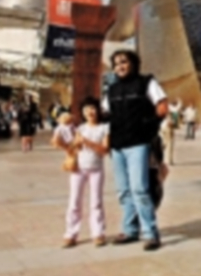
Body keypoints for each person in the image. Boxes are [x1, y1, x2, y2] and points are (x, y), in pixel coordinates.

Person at [102, 49, 168, 251]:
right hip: (118, 145)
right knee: (124, 190)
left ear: (133, 63)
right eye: (116, 64)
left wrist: (151, 126)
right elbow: (105, 114)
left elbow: (162, 105)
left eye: (124, 62)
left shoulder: (146, 82)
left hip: (139, 143)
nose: (120, 66)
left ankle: (150, 233)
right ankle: (130, 230)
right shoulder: (111, 90)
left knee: (140, 188)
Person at [54, 98, 109, 248]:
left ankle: (98, 233)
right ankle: (71, 233)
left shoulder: (104, 128)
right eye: (86, 110)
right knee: (74, 201)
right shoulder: (80, 128)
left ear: (98, 110)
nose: (89, 112)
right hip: (79, 168)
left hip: (96, 169)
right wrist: (62, 144)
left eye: (92, 109)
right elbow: (73, 148)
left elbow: (105, 150)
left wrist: (87, 142)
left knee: (96, 202)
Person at [160, 99, 182, 166]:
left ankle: (160, 158)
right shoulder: (169, 107)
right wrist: (180, 102)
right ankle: (169, 160)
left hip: (162, 127)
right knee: (170, 144)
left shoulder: (160, 107)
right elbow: (176, 109)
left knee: (164, 143)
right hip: (168, 127)